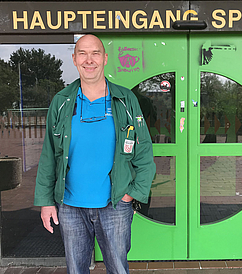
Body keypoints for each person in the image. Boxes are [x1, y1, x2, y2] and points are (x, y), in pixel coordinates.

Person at [34, 34, 156, 274]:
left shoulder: (125, 100)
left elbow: (144, 154)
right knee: (76, 269)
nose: (89, 60)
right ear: (74, 59)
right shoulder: (61, 102)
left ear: (105, 58)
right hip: (70, 206)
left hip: (115, 205)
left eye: (95, 53)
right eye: (82, 53)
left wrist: (131, 195)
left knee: (118, 269)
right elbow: (49, 155)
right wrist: (45, 201)